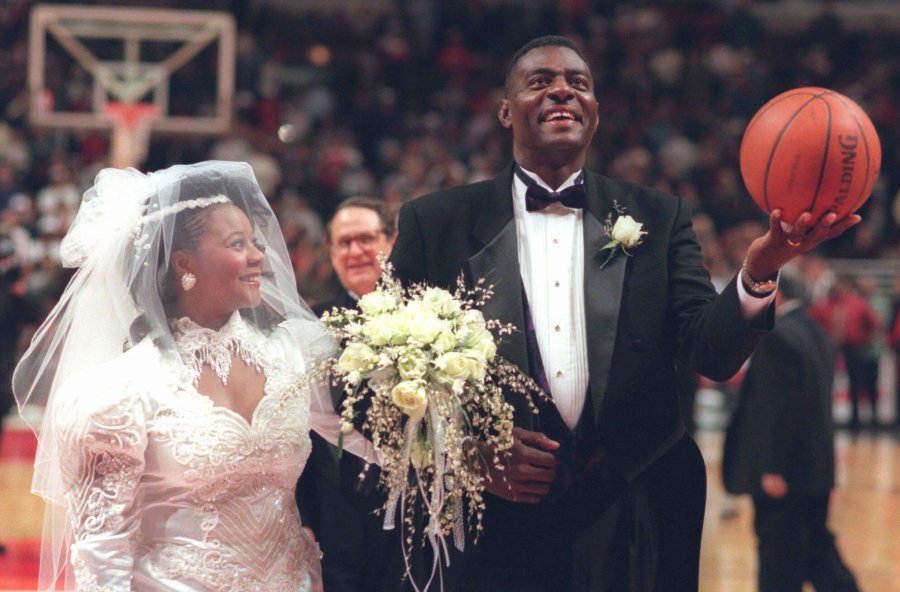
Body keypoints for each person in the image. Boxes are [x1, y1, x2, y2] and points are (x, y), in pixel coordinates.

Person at [388, 35, 859, 592]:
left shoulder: (659, 217)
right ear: (505, 111)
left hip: (637, 509)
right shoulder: (433, 223)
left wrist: (758, 272)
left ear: (596, 113)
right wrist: (468, 452)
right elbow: (387, 377)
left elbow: (709, 350)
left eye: (578, 82)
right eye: (540, 80)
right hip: (494, 519)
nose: (562, 88)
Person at [12, 161, 379, 591]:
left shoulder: (296, 354)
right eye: (237, 243)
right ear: (184, 262)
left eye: (254, 242)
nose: (259, 256)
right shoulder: (121, 392)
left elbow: (371, 442)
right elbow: (103, 551)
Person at [722, 266, 860, 592]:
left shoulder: (778, 337)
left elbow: (776, 408)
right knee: (816, 552)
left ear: (775, 292)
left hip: (785, 474)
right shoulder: (815, 330)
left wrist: (771, 466)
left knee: (780, 562)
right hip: (815, 468)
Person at [296, 196, 398, 592]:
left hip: (416, 518)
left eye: (366, 238)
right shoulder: (311, 326)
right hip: (337, 520)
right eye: (344, 242)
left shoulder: (433, 315)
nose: (355, 251)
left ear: (391, 241)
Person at [810, 277, 882, 429]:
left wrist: (863, 338)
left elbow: (873, 323)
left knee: (860, 383)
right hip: (831, 348)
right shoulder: (826, 305)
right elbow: (813, 321)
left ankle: (864, 418)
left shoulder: (857, 303)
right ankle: (836, 417)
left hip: (854, 349)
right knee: (831, 382)